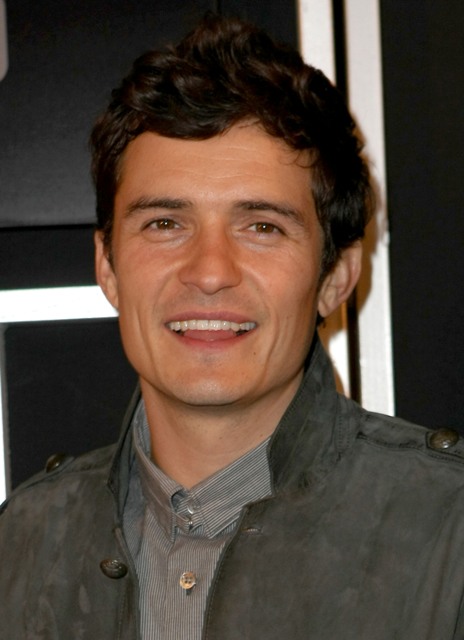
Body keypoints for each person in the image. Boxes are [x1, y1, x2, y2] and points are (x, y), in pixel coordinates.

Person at [1, 14, 464, 640]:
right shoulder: (18, 548)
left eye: (262, 227)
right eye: (165, 224)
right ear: (107, 267)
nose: (210, 271)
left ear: (335, 277)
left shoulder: (450, 533)